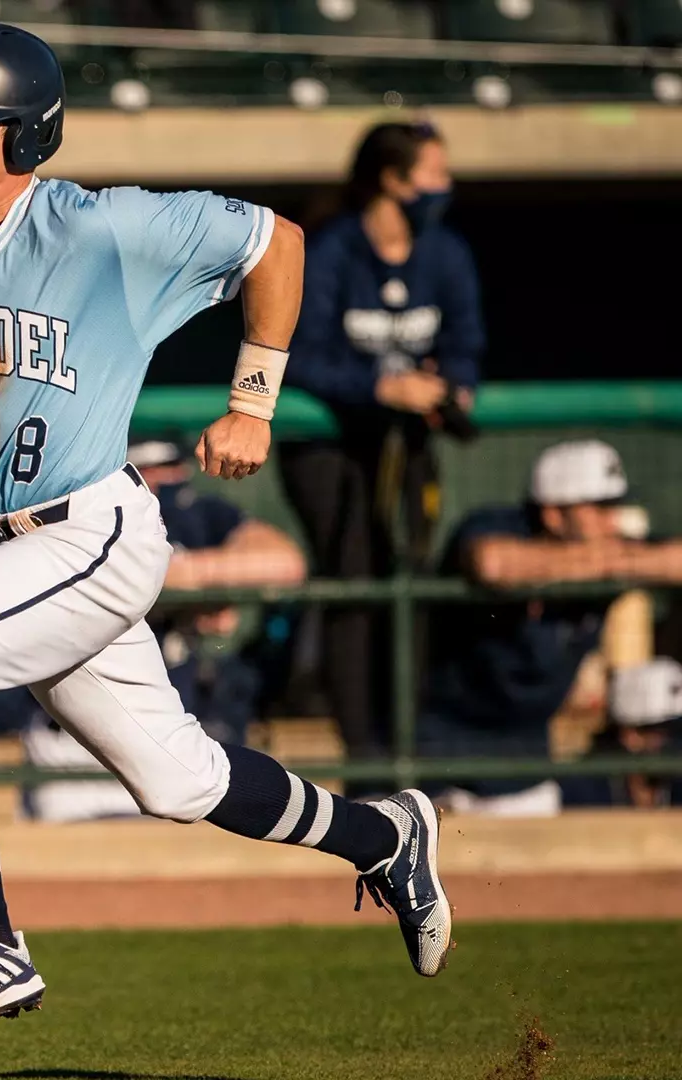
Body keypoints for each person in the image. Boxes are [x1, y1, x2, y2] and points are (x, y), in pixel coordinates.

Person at [0, 22, 453, 1036]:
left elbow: (278, 243)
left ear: (28, 134)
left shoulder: (100, 227)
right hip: (6, 548)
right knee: (178, 779)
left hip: (91, 529)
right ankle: (381, 837)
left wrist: (253, 400)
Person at [279, 121, 484, 761]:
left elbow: (465, 341)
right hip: (331, 449)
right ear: (394, 181)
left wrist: (455, 384)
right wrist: (382, 387)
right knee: (356, 585)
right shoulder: (332, 248)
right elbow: (299, 354)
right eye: (434, 174)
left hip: (409, 446)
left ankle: (407, 747)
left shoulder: (445, 253)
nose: (444, 187)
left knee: (412, 582)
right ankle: (366, 760)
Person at [24, 438, 306, 823]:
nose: (171, 482)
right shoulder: (74, 515)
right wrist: (172, 585)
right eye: (154, 473)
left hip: (169, 743)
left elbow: (285, 563)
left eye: (173, 470)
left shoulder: (200, 517)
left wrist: (197, 580)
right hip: (75, 751)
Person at [423, 440, 682, 817]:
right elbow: (492, 563)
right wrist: (594, 560)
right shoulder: (500, 525)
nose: (614, 521)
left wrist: (610, 560)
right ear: (554, 516)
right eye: (599, 508)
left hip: (522, 764)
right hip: (433, 748)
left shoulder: (613, 550)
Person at [561, 658, 682, 809]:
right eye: (658, 732)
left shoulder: (675, 786)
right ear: (629, 734)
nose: (668, 742)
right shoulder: (586, 789)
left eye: (674, 732)